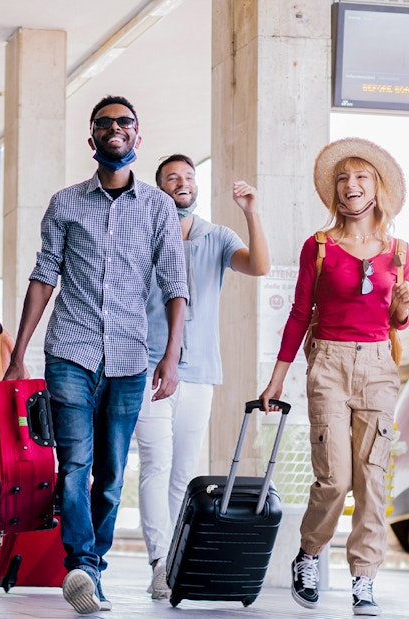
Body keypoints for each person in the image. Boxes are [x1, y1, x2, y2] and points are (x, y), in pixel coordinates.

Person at [3, 96, 188, 615]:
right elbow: (44, 279)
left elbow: (176, 285)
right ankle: (81, 565)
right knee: (74, 464)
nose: (115, 129)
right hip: (70, 351)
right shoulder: (65, 203)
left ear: (137, 136)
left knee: (110, 473)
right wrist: (20, 354)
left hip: (131, 358)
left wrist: (170, 357)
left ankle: (94, 570)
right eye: (104, 123)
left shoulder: (157, 207)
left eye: (124, 122)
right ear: (92, 140)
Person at [260, 137, 409, 617]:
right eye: (344, 178)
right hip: (328, 363)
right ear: (336, 191)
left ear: (376, 187)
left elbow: (397, 320)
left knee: (372, 478)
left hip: (378, 368)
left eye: (361, 176)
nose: (351, 185)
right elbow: (300, 313)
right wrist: (277, 378)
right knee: (335, 477)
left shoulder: (399, 253)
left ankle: (364, 579)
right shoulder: (319, 247)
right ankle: (310, 553)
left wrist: (403, 312)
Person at [134, 153, 270, 599]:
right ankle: (159, 562)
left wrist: (251, 211)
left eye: (189, 177)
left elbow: (259, 266)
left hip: (200, 374)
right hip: (148, 367)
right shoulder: (144, 233)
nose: (182, 183)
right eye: (172, 178)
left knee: (183, 473)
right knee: (156, 464)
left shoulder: (216, 236)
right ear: (159, 189)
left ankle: (176, 561)